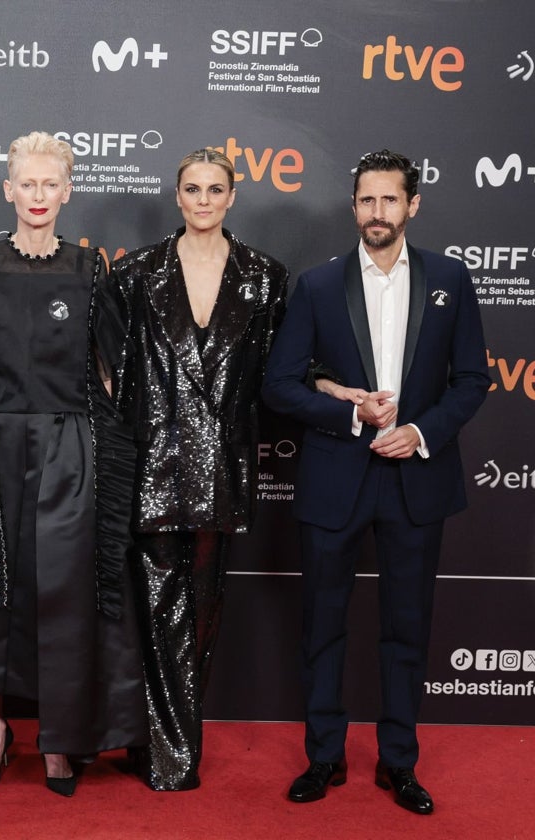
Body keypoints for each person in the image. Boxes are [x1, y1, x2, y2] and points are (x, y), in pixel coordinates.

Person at [0, 131, 145, 797]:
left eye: (51, 184)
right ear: (8, 189)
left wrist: (110, 453)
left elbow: (105, 371)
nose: (38, 196)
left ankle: (62, 742)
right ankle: (0, 731)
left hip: (71, 450)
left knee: (64, 595)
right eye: (27, 184)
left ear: (67, 191)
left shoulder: (91, 267)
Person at [262, 150, 489, 815]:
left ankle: (400, 763)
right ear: (353, 205)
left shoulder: (450, 277)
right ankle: (323, 758)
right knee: (322, 627)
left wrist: (418, 434)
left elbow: (472, 380)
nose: (377, 213)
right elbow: (279, 383)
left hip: (416, 480)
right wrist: (348, 412)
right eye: (366, 201)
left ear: (412, 205)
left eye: (390, 201)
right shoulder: (318, 285)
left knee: (407, 628)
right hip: (337, 476)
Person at [108, 148, 289, 791]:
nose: (204, 199)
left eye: (216, 189)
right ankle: (171, 754)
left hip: (222, 470)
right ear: (177, 196)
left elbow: (281, 379)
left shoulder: (266, 278)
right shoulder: (134, 276)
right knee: (157, 607)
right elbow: (110, 377)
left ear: (232, 196)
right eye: (193, 188)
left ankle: (162, 742)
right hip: (153, 464)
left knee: (204, 609)